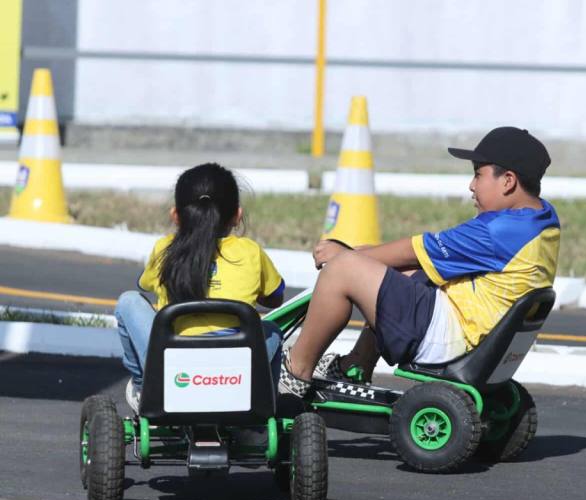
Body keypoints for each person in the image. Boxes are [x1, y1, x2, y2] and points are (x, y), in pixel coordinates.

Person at [279, 126, 560, 395]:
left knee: (342, 269)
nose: (471, 185)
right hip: (478, 335)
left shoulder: (496, 231)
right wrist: (360, 254)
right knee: (404, 269)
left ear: (508, 181)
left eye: (478, 175)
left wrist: (346, 255)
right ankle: (356, 364)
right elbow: (417, 257)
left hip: (450, 340)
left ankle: (295, 373)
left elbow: (414, 249)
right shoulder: (542, 218)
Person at [116, 163, 286, 413]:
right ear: (237, 215)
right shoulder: (251, 252)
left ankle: (144, 387)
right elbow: (276, 297)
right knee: (272, 329)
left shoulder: (164, 249)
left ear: (176, 215)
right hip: (232, 370)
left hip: (174, 368)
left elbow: (144, 283)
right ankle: (261, 406)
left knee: (129, 301)